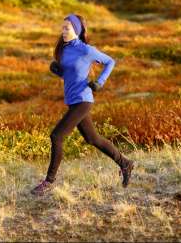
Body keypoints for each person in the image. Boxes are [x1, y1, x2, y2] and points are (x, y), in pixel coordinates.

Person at [31, 13, 134, 195]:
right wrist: (59, 71)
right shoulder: (65, 49)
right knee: (92, 139)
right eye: (62, 28)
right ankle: (125, 164)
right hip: (73, 100)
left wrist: (99, 82)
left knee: (56, 136)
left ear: (76, 31)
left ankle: (49, 181)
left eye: (67, 28)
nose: (63, 31)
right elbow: (71, 74)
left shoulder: (86, 50)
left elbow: (110, 62)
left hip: (83, 99)